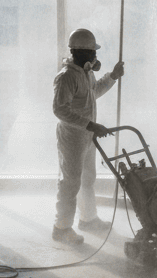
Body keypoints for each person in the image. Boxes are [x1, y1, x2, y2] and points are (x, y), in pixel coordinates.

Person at [52, 27, 124, 245]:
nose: (95, 57)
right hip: (72, 136)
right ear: (79, 53)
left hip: (86, 135)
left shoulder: (86, 73)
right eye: (92, 53)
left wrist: (112, 76)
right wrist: (90, 124)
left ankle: (88, 219)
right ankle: (61, 228)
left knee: (87, 179)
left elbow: (94, 93)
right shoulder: (66, 78)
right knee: (70, 182)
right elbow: (60, 109)